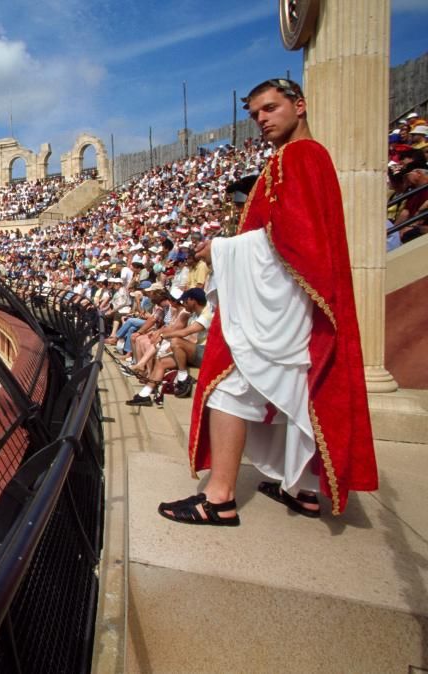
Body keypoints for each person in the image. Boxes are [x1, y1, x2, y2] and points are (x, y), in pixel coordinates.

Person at [159, 78, 377, 525]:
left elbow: (295, 241)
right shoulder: (302, 158)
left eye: (270, 108)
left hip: (277, 308)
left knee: (227, 390)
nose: (261, 119)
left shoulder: (299, 156)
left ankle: (218, 499)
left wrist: (220, 250)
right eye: (255, 113)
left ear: (300, 106)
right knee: (293, 391)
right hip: (282, 301)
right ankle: (304, 491)